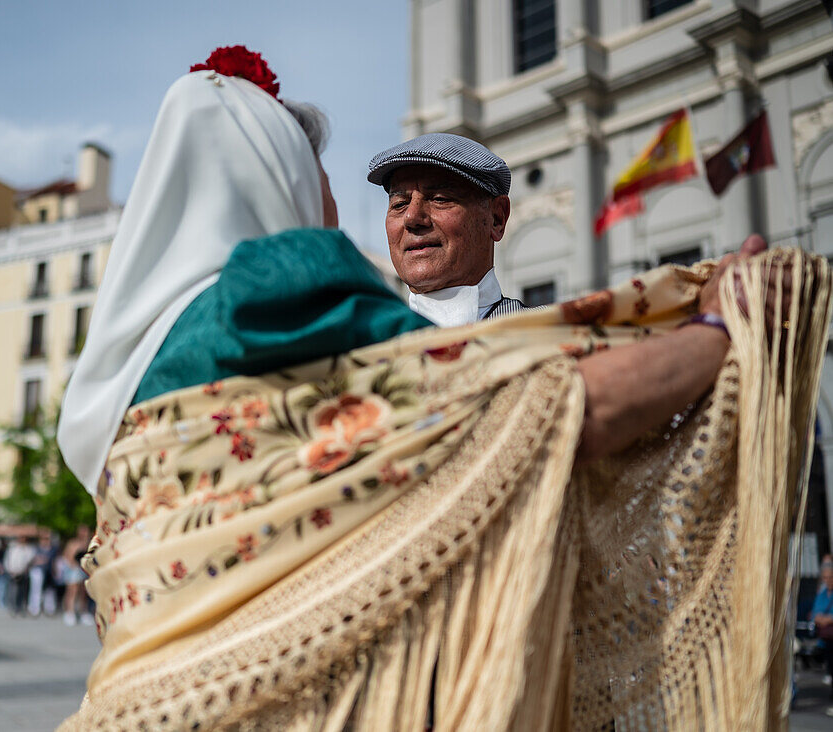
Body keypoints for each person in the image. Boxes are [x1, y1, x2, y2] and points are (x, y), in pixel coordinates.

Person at [55, 48, 827, 731]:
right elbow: (551, 408)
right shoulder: (291, 290)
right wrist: (723, 327)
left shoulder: (128, 371)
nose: (407, 218)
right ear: (276, 174)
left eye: (440, 199)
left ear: (498, 220)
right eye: (391, 200)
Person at [367, 133, 524, 326]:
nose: (412, 217)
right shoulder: (362, 350)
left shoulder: (555, 339)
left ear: (497, 218)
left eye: (440, 199)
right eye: (400, 204)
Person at [812, 562, 833, 695]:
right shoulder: (822, 593)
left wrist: (827, 619)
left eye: (830, 577)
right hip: (827, 637)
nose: (828, 580)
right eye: (825, 578)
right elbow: (815, 613)